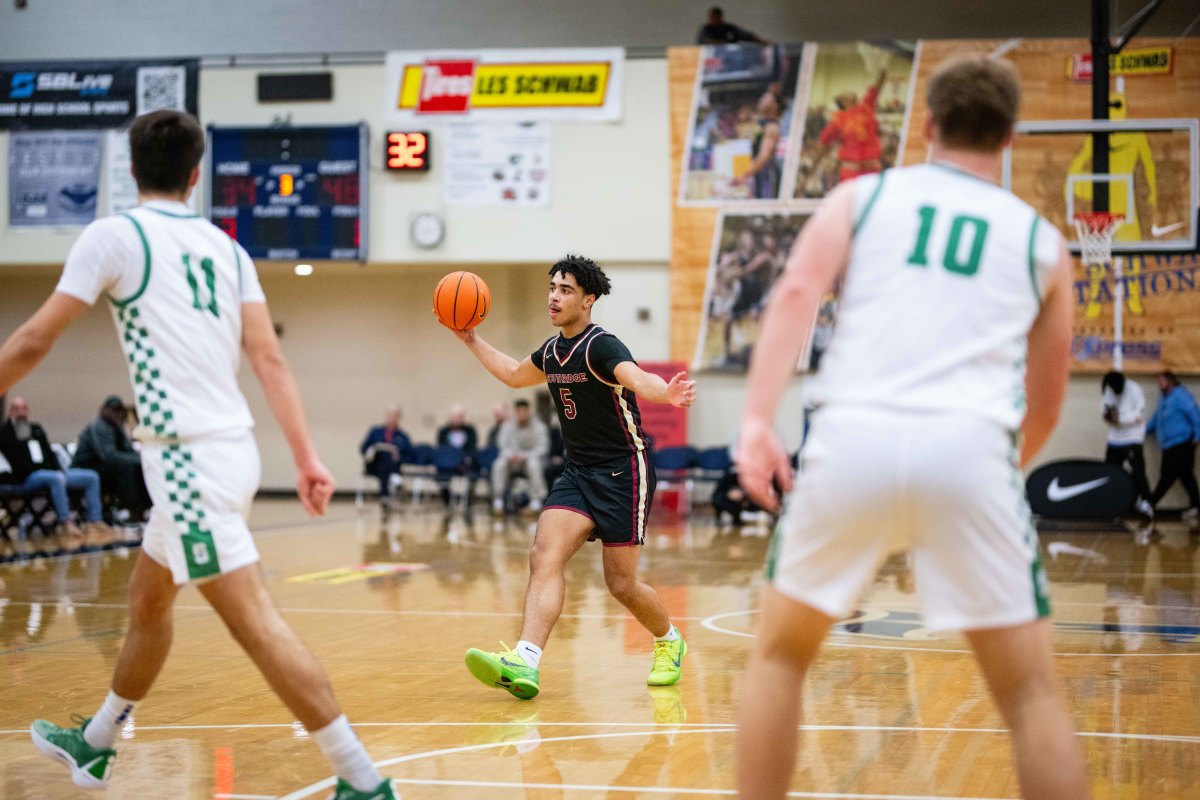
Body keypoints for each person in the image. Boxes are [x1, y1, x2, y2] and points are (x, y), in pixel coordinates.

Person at [0, 110, 395, 799]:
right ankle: (96, 743)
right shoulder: (227, 247)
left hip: (187, 464)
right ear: (196, 173)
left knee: (256, 625)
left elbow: (34, 340)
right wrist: (305, 457)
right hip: (224, 454)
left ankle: (362, 781)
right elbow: (269, 358)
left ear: (130, 169)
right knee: (148, 602)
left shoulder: (115, 236)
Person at [734, 56, 1088, 800]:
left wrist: (757, 420)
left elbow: (797, 291)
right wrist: (988, 471)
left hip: (851, 440)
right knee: (1031, 697)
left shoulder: (862, 198)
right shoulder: (1043, 242)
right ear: (1011, 135)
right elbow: (1047, 397)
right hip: (970, 447)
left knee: (777, 659)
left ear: (927, 127)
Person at [452, 255, 696, 699]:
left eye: (565, 290)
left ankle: (669, 642)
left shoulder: (601, 346)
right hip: (579, 472)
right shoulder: (550, 351)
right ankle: (525, 662)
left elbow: (637, 379)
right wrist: (471, 339)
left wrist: (668, 394)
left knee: (621, 584)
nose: (554, 296)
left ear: (589, 300)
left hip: (625, 471)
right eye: (552, 288)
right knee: (543, 554)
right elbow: (511, 374)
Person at [0, 396, 115, 549]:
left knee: (91, 477)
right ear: (11, 411)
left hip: (52, 472)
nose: (21, 412)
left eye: (24, 408)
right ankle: (66, 521)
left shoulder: (36, 429)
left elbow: (48, 452)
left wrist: (58, 468)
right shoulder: (5, 432)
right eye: (17, 409)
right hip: (28, 478)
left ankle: (94, 520)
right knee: (57, 478)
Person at [72, 396, 151, 518]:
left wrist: (141, 459)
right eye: (113, 410)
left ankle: (144, 507)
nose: (116, 414)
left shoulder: (116, 426)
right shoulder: (98, 426)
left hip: (104, 466)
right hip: (87, 466)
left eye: (119, 411)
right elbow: (108, 456)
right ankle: (128, 508)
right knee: (126, 467)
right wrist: (136, 459)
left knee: (140, 465)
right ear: (103, 409)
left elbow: (128, 449)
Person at [814, 69, 888, 185]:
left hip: (872, 169)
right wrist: (814, 166)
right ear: (843, 101)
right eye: (845, 93)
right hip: (852, 172)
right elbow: (823, 142)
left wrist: (882, 74)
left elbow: (876, 89)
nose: (850, 92)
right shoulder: (838, 119)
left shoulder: (866, 107)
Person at [1145, 370, 1200, 520]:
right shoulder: (1163, 399)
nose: (1159, 384)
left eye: (1161, 381)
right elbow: (1156, 419)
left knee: (1167, 475)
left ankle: (1151, 503)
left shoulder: (1181, 396)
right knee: (1186, 475)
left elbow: (1195, 415)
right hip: (1168, 445)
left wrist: (1197, 436)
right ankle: (1196, 506)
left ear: (1170, 381)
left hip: (1182, 443)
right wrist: (1140, 432)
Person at [1100, 371, 1153, 517]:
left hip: (1132, 438)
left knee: (1138, 471)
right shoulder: (1108, 389)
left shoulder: (1134, 389)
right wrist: (1108, 416)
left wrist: (1120, 420)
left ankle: (1147, 502)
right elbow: (1104, 409)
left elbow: (1139, 415)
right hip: (1114, 439)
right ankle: (1110, 503)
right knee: (1110, 471)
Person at [491, 398, 550, 514]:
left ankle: (535, 502)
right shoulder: (507, 426)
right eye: (519, 411)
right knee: (499, 464)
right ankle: (498, 501)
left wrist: (526, 455)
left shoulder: (540, 427)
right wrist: (510, 455)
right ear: (515, 412)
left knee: (534, 464)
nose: (521, 414)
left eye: (524, 411)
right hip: (512, 462)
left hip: (529, 462)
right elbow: (502, 446)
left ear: (528, 411)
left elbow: (543, 448)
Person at [360, 405, 411, 504]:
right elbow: (364, 448)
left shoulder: (403, 436)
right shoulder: (375, 432)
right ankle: (396, 485)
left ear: (399, 418)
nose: (392, 418)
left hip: (393, 466)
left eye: (395, 416)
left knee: (387, 463)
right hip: (374, 465)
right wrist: (373, 450)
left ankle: (385, 495)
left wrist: (398, 457)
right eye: (390, 415)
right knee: (384, 460)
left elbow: (408, 454)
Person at [435, 404, 479, 512]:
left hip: (465, 462)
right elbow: (442, 449)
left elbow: (472, 448)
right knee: (440, 471)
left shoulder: (470, 430)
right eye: (455, 416)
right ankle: (447, 500)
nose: (458, 419)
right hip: (448, 463)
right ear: (450, 417)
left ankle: (468, 500)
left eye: (460, 416)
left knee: (475, 468)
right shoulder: (443, 431)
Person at [741, 90, 784, 200]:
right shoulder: (760, 123)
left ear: (775, 106)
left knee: (764, 209)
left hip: (766, 172)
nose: (761, 100)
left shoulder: (772, 127)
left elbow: (764, 156)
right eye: (762, 97)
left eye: (767, 98)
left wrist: (744, 174)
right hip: (757, 170)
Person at [695, 6, 766, 45]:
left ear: (720, 17)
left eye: (715, 18)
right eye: (711, 17)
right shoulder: (705, 29)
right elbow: (704, 42)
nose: (712, 20)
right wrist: (723, 42)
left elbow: (747, 35)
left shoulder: (729, 28)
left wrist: (762, 42)